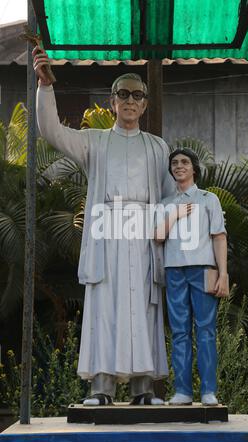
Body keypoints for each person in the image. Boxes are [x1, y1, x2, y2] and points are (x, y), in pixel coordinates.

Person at [32, 47, 176, 406]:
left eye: (137, 95)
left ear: (144, 105)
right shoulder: (93, 142)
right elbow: (51, 131)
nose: (130, 100)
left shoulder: (159, 148)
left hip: (145, 235)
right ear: (112, 102)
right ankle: (101, 388)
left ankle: (144, 390)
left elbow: (173, 199)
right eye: (123, 94)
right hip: (106, 232)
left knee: (144, 308)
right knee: (105, 307)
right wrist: (45, 87)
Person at [155, 148, 228, 406]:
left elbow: (219, 237)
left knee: (206, 330)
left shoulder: (209, 199)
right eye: (174, 163)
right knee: (179, 332)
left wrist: (224, 273)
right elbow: (158, 236)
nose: (179, 166)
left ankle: (209, 390)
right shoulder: (164, 204)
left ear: (194, 168)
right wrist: (174, 214)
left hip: (203, 269)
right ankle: (183, 391)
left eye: (184, 162)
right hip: (174, 271)